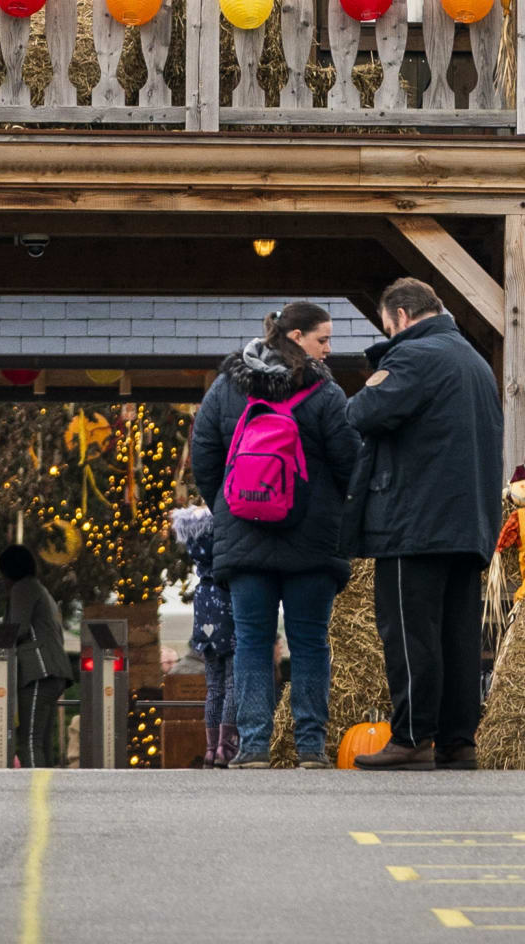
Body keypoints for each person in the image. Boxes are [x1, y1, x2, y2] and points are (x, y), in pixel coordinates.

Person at [184, 300, 360, 770]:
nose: (329, 349)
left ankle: (255, 746)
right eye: (323, 338)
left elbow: (204, 455)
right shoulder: (325, 393)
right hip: (313, 543)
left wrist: (230, 506)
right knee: (309, 643)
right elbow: (349, 462)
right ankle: (309, 747)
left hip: (245, 540)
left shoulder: (227, 387)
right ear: (297, 337)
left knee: (252, 643)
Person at [349, 275, 498, 771]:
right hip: (467, 524)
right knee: (457, 638)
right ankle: (458, 740)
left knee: (410, 633)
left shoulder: (415, 357)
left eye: (387, 327)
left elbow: (363, 413)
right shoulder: (475, 362)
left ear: (403, 317)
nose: (388, 337)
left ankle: (412, 735)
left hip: (413, 523)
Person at [0, 542, 66, 765]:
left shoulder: (23, 588)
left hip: (37, 671)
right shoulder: (41, 590)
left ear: (8, 571)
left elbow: (17, 628)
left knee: (29, 740)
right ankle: (46, 792)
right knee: (42, 740)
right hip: (53, 670)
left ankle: (31, 793)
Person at [169, 501, 234, 765]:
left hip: (204, 607)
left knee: (213, 686)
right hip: (225, 601)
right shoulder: (221, 524)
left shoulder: (194, 533)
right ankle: (227, 745)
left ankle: (210, 747)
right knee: (232, 682)